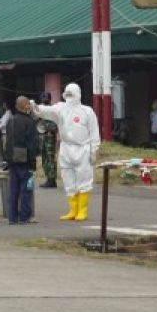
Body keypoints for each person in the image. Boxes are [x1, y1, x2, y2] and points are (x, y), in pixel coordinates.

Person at [33, 83, 100, 222]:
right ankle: (72, 210)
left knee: (84, 179)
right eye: (67, 94)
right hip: (66, 148)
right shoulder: (61, 108)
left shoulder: (87, 111)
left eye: (71, 94)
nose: (69, 97)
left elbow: (94, 132)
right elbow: (47, 111)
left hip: (83, 149)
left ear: (78, 94)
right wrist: (35, 107)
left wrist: (94, 150)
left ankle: (82, 211)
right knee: (68, 179)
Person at [4, 96, 40, 224]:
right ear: (24, 106)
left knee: (13, 190)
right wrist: (33, 162)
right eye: (27, 104)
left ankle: (12, 218)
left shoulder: (10, 121)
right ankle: (24, 216)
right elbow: (32, 144)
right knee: (26, 189)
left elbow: (7, 142)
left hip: (12, 159)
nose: (29, 106)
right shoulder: (29, 122)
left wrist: (6, 160)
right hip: (24, 159)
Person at [35, 92, 58, 188]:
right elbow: (36, 120)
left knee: (50, 157)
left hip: (50, 135)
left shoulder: (54, 110)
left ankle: (52, 179)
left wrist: (49, 127)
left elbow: (56, 124)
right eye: (43, 98)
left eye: (46, 98)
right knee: (44, 157)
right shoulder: (40, 110)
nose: (44, 100)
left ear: (49, 99)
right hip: (42, 136)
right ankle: (48, 177)